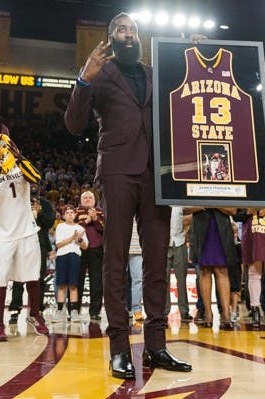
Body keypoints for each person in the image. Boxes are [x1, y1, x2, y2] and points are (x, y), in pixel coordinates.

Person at [64, 12, 191, 379]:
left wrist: (195, 58)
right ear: (111, 38)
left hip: (157, 174)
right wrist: (83, 80)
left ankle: (156, 346)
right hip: (119, 169)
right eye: (121, 29)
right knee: (115, 260)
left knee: (156, 261)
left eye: (133, 30)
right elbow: (73, 124)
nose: (129, 34)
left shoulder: (153, 73)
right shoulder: (100, 74)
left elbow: (185, 94)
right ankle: (118, 347)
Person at [0, 126, 48, 341]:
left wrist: (19, 157)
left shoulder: (20, 166)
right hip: (3, 235)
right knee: (0, 280)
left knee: (33, 277)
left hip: (27, 230)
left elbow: (36, 177)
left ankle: (34, 314)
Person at [9, 186, 55, 325]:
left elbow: (49, 224)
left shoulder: (45, 204)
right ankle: (14, 310)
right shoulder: (17, 201)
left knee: (39, 278)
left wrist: (39, 213)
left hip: (39, 244)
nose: (32, 187)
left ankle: (37, 310)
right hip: (20, 241)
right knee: (18, 277)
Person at [186, 207, 238, 331]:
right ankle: (208, 314)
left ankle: (226, 315)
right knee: (204, 271)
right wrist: (204, 205)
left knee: (222, 270)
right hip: (200, 228)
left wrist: (214, 204)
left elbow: (233, 210)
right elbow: (186, 208)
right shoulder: (195, 186)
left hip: (222, 228)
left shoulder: (226, 186)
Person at [235, 208, 265, 330]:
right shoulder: (245, 193)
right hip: (251, 235)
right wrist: (249, 212)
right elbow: (237, 216)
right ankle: (255, 310)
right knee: (253, 274)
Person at [53, 205, 88, 322]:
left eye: (72, 212)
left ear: (75, 215)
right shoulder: (60, 226)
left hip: (75, 256)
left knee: (73, 285)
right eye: (67, 213)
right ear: (63, 215)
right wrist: (72, 238)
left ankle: (74, 312)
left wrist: (79, 239)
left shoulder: (80, 228)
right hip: (62, 256)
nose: (69, 214)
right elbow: (58, 244)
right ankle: (59, 312)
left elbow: (85, 246)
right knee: (62, 285)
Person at [75, 190, 104, 320]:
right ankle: (75, 309)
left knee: (96, 282)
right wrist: (86, 221)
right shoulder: (75, 212)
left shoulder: (101, 212)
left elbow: (105, 229)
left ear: (95, 199)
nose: (87, 199)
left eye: (90, 197)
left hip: (97, 250)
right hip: (78, 250)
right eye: (85, 198)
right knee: (77, 281)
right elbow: (71, 228)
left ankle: (95, 311)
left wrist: (96, 219)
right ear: (81, 201)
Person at [166, 206, 192, 321]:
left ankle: (184, 311)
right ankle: (163, 312)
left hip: (180, 241)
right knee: (163, 280)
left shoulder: (180, 200)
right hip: (164, 242)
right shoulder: (161, 198)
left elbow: (191, 214)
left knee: (181, 280)